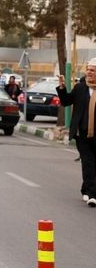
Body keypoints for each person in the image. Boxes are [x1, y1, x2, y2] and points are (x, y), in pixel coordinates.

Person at [57, 64, 96, 207]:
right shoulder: (80, 88)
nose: (89, 73)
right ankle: (93, 195)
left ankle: (85, 188)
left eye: (93, 70)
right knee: (88, 162)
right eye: (88, 70)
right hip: (82, 134)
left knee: (93, 163)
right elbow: (66, 101)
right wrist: (62, 88)